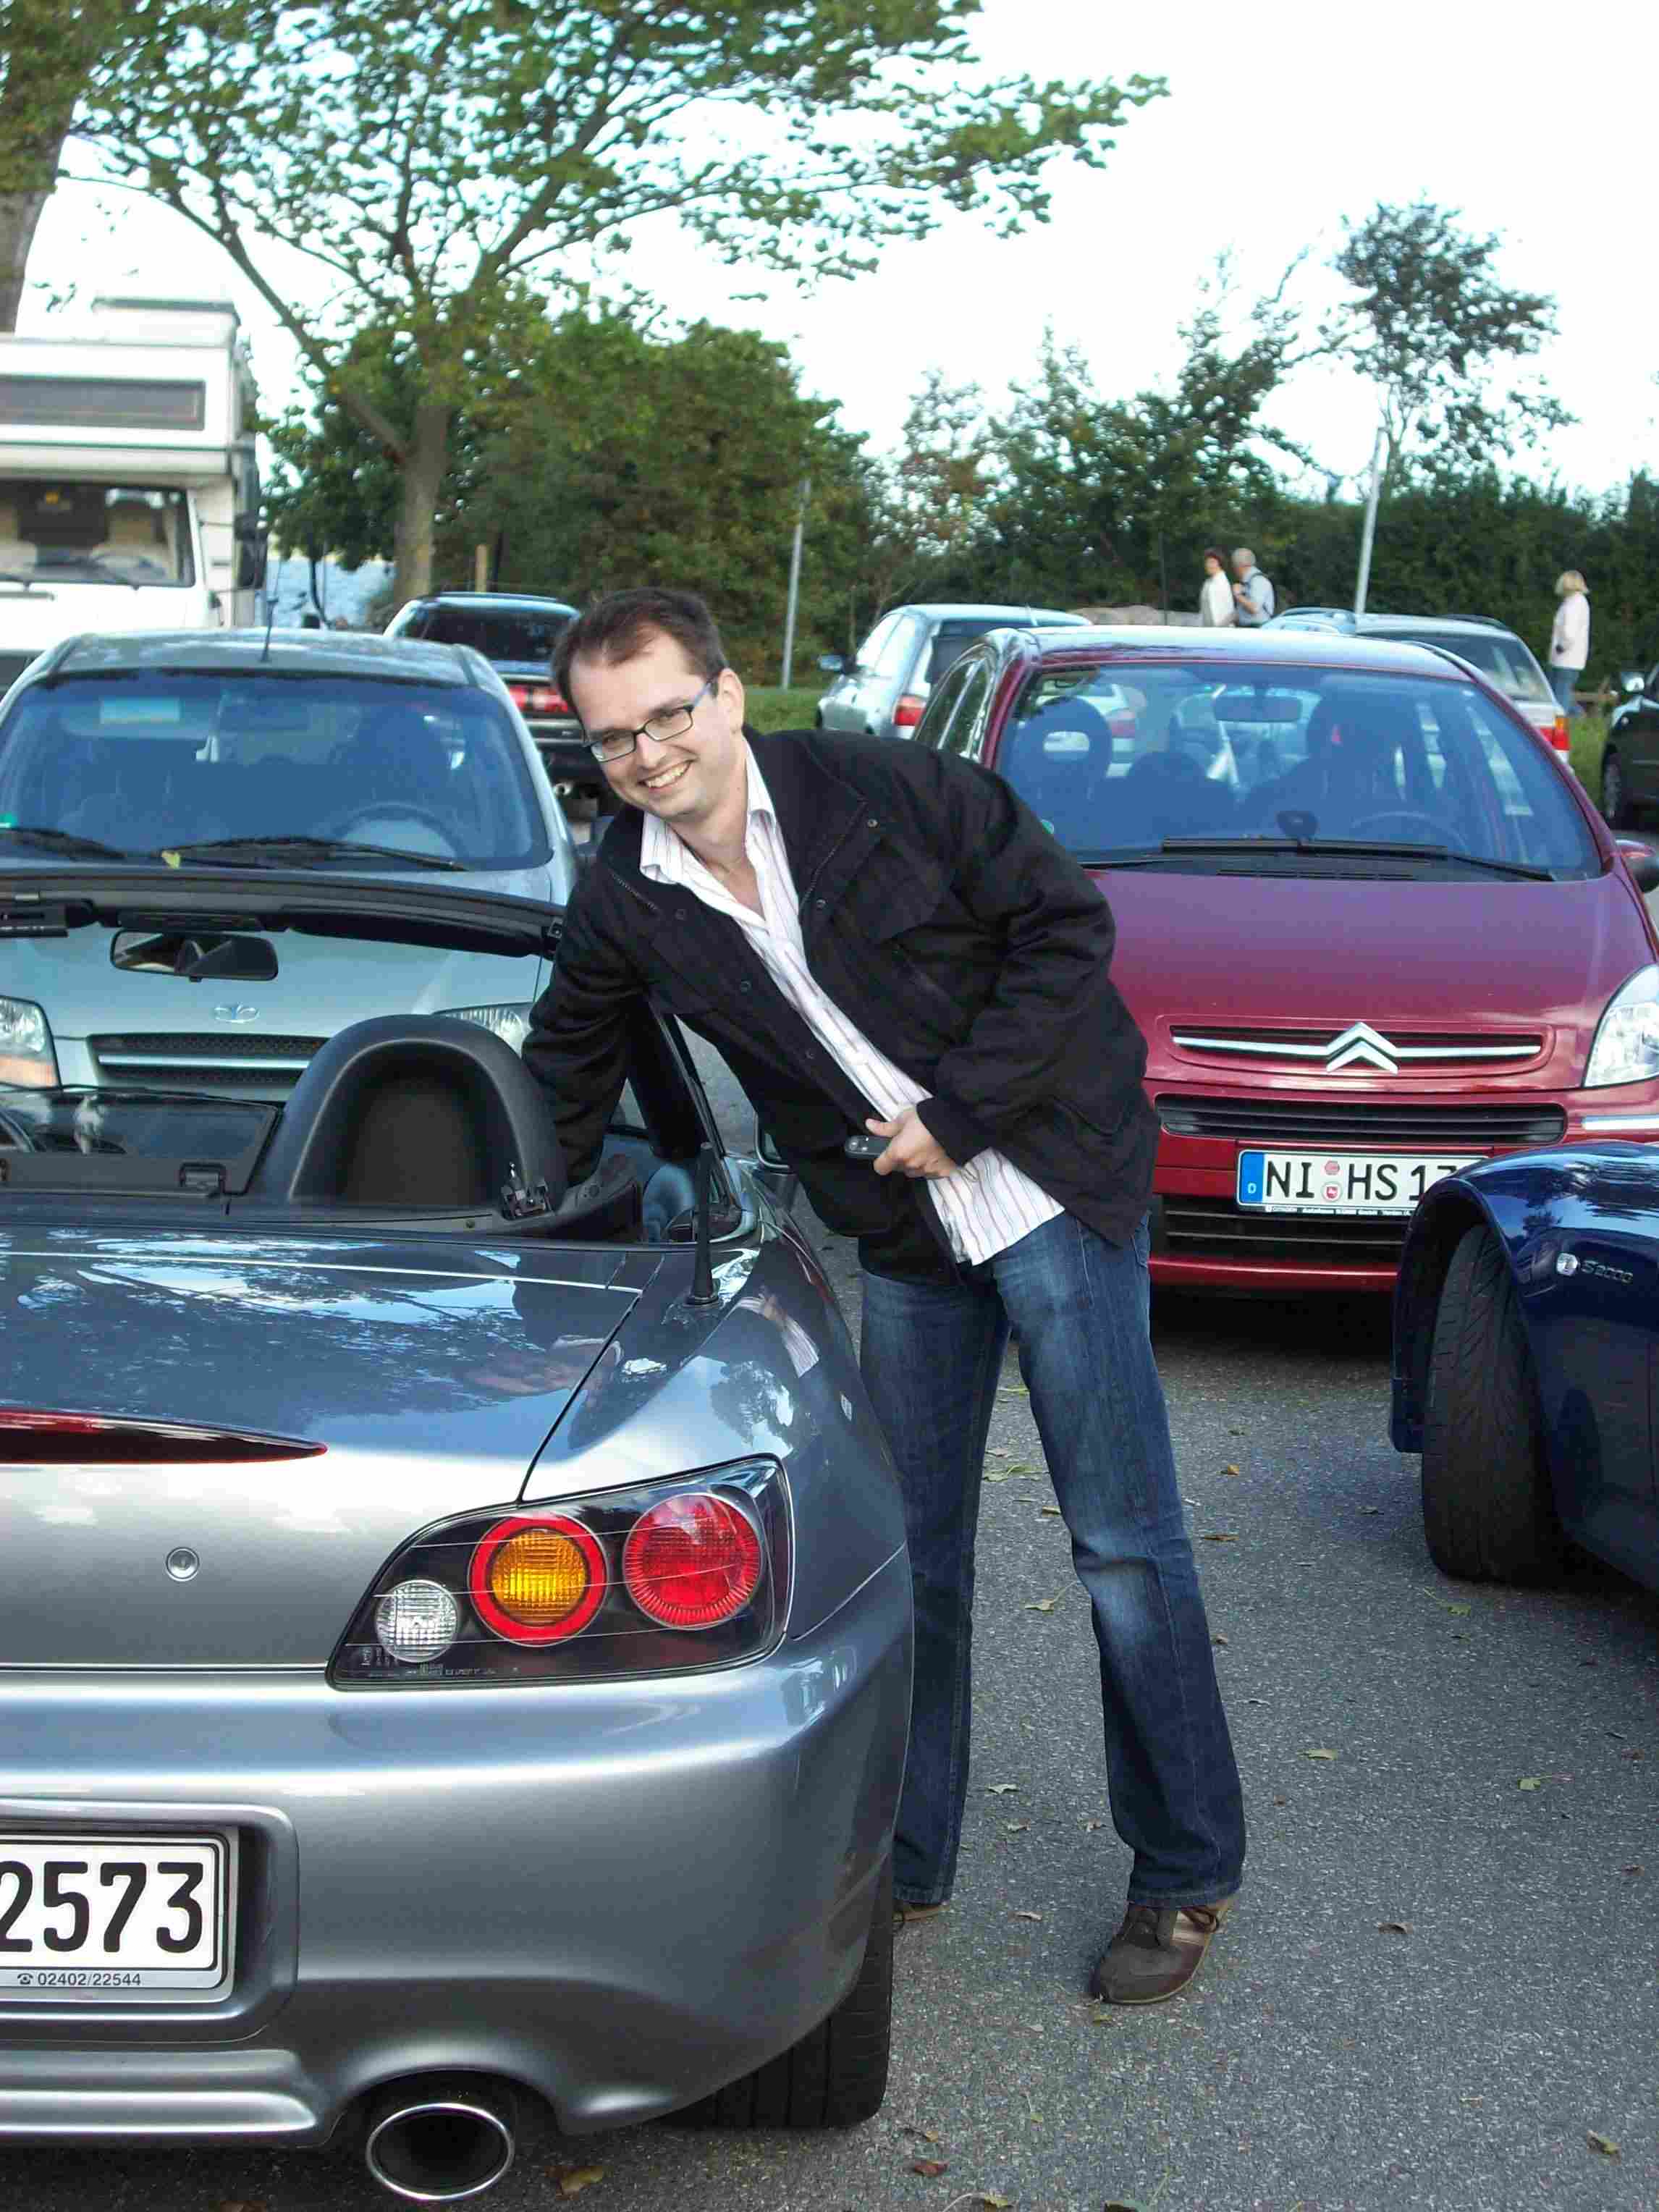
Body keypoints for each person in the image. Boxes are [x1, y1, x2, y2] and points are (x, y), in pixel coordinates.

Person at [524, 586, 1246, 2006]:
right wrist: (495, 1223)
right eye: (613, 739)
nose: (649, 755)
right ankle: (906, 1864)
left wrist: (962, 1113)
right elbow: (567, 1067)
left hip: (1046, 1181)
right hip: (905, 1236)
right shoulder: (625, 890)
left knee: (1121, 1545)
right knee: (910, 1559)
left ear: (728, 695)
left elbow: (1065, 933)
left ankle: (1182, 1868)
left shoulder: (889, 789)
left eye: (668, 716)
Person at [1549, 571, 1590, 716]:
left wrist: (1560, 648)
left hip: (1565, 660)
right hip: (1570, 660)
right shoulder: (1577, 602)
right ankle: (1581, 719)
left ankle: (1563, 724)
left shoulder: (1573, 604)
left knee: (1560, 701)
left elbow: (1569, 633)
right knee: (1563, 696)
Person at [1231, 547, 1275, 627]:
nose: (1234, 570)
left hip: (1258, 629)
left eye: (1234, 566)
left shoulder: (1259, 581)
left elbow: (1254, 608)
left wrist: (1238, 596)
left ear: (1240, 566)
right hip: (1248, 628)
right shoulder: (1247, 582)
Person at [1199, 549, 1236, 627]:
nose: (1208, 565)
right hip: (1208, 629)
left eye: (1212, 562)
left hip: (1223, 629)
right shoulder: (1208, 583)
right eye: (1207, 562)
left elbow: (1228, 612)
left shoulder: (1223, 583)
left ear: (1220, 564)